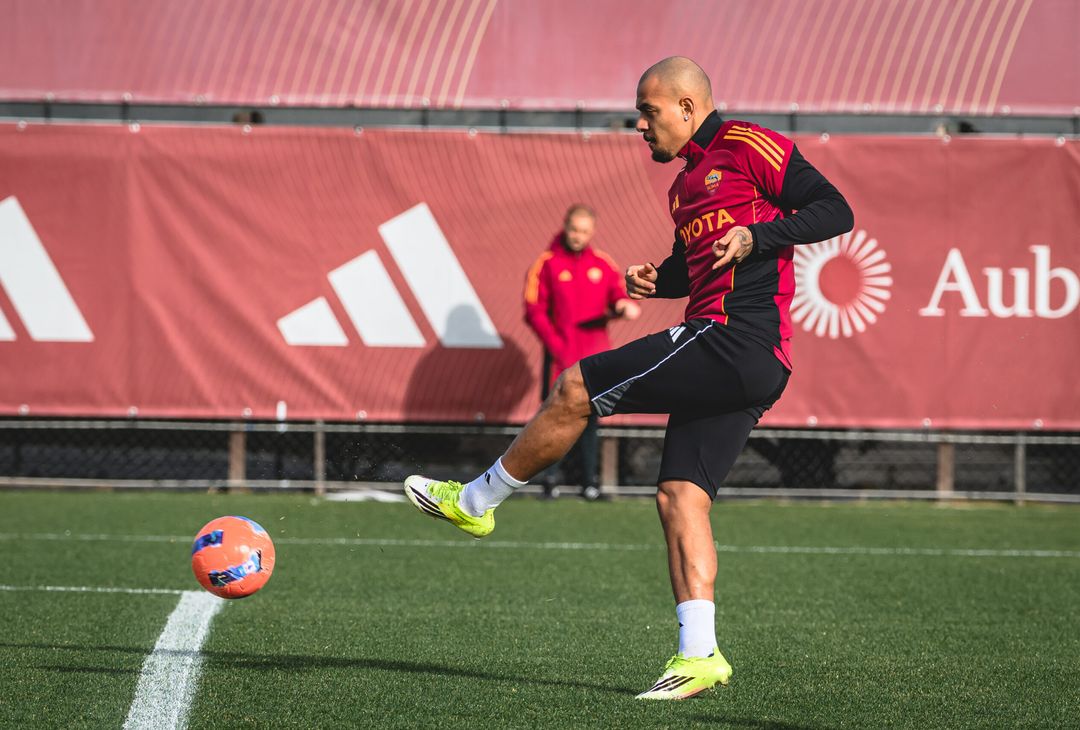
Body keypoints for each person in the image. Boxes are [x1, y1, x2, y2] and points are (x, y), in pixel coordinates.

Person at [404, 56, 853, 700]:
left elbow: (835, 210)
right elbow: (693, 267)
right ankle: (700, 656)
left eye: (649, 111)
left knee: (575, 388)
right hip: (743, 359)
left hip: (735, 339)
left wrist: (759, 237)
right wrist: (660, 280)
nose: (640, 124)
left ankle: (475, 502)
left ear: (689, 108)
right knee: (679, 496)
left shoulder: (750, 145)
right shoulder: (682, 186)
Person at [523, 205, 640, 500]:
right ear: (565, 226)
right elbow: (534, 311)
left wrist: (623, 305)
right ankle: (550, 480)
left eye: (585, 231)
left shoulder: (602, 264)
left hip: (595, 357)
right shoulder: (547, 263)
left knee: (591, 418)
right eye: (575, 229)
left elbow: (617, 294)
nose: (578, 236)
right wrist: (557, 346)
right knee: (555, 416)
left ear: (593, 232)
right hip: (561, 357)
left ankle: (589, 482)